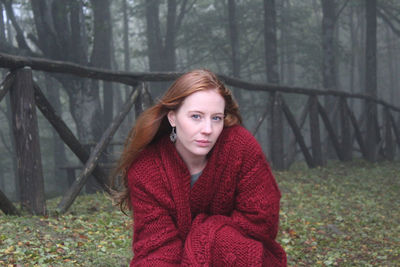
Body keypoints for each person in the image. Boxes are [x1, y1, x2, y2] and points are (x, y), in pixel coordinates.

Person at [112, 69, 287, 266]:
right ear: (172, 118)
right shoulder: (146, 169)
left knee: (224, 243)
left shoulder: (241, 146)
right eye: (196, 116)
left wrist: (203, 236)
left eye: (216, 118)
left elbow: (262, 223)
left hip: (242, 256)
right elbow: (156, 246)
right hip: (172, 261)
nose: (207, 129)